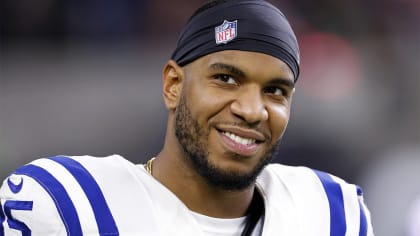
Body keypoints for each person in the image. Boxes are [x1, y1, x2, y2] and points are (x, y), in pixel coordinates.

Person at [0, 0, 374, 235]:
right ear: (173, 85)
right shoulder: (70, 203)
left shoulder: (330, 211)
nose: (251, 109)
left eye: (275, 91)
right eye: (226, 79)